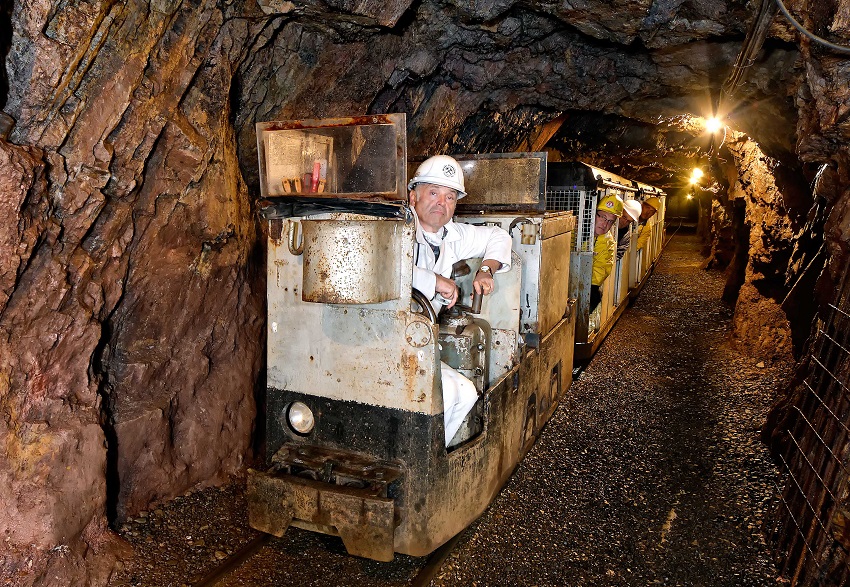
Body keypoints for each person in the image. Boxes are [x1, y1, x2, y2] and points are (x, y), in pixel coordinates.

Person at [408, 155, 512, 445]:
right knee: (443, 394)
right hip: (382, 339)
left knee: (465, 393)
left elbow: (499, 237)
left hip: (419, 341)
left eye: (450, 196)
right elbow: (382, 264)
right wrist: (435, 281)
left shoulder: (452, 234)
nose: (441, 202)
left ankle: (430, 456)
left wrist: (486, 269)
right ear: (413, 195)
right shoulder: (396, 227)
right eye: (433, 193)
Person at [589, 194, 624, 310]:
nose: (605, 224)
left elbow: (598, 275)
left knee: (594, 296)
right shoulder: (575, 230)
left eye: (610, 221)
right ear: (594, 213)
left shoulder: (609, 244)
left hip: (584, 286)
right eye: (602, 217)